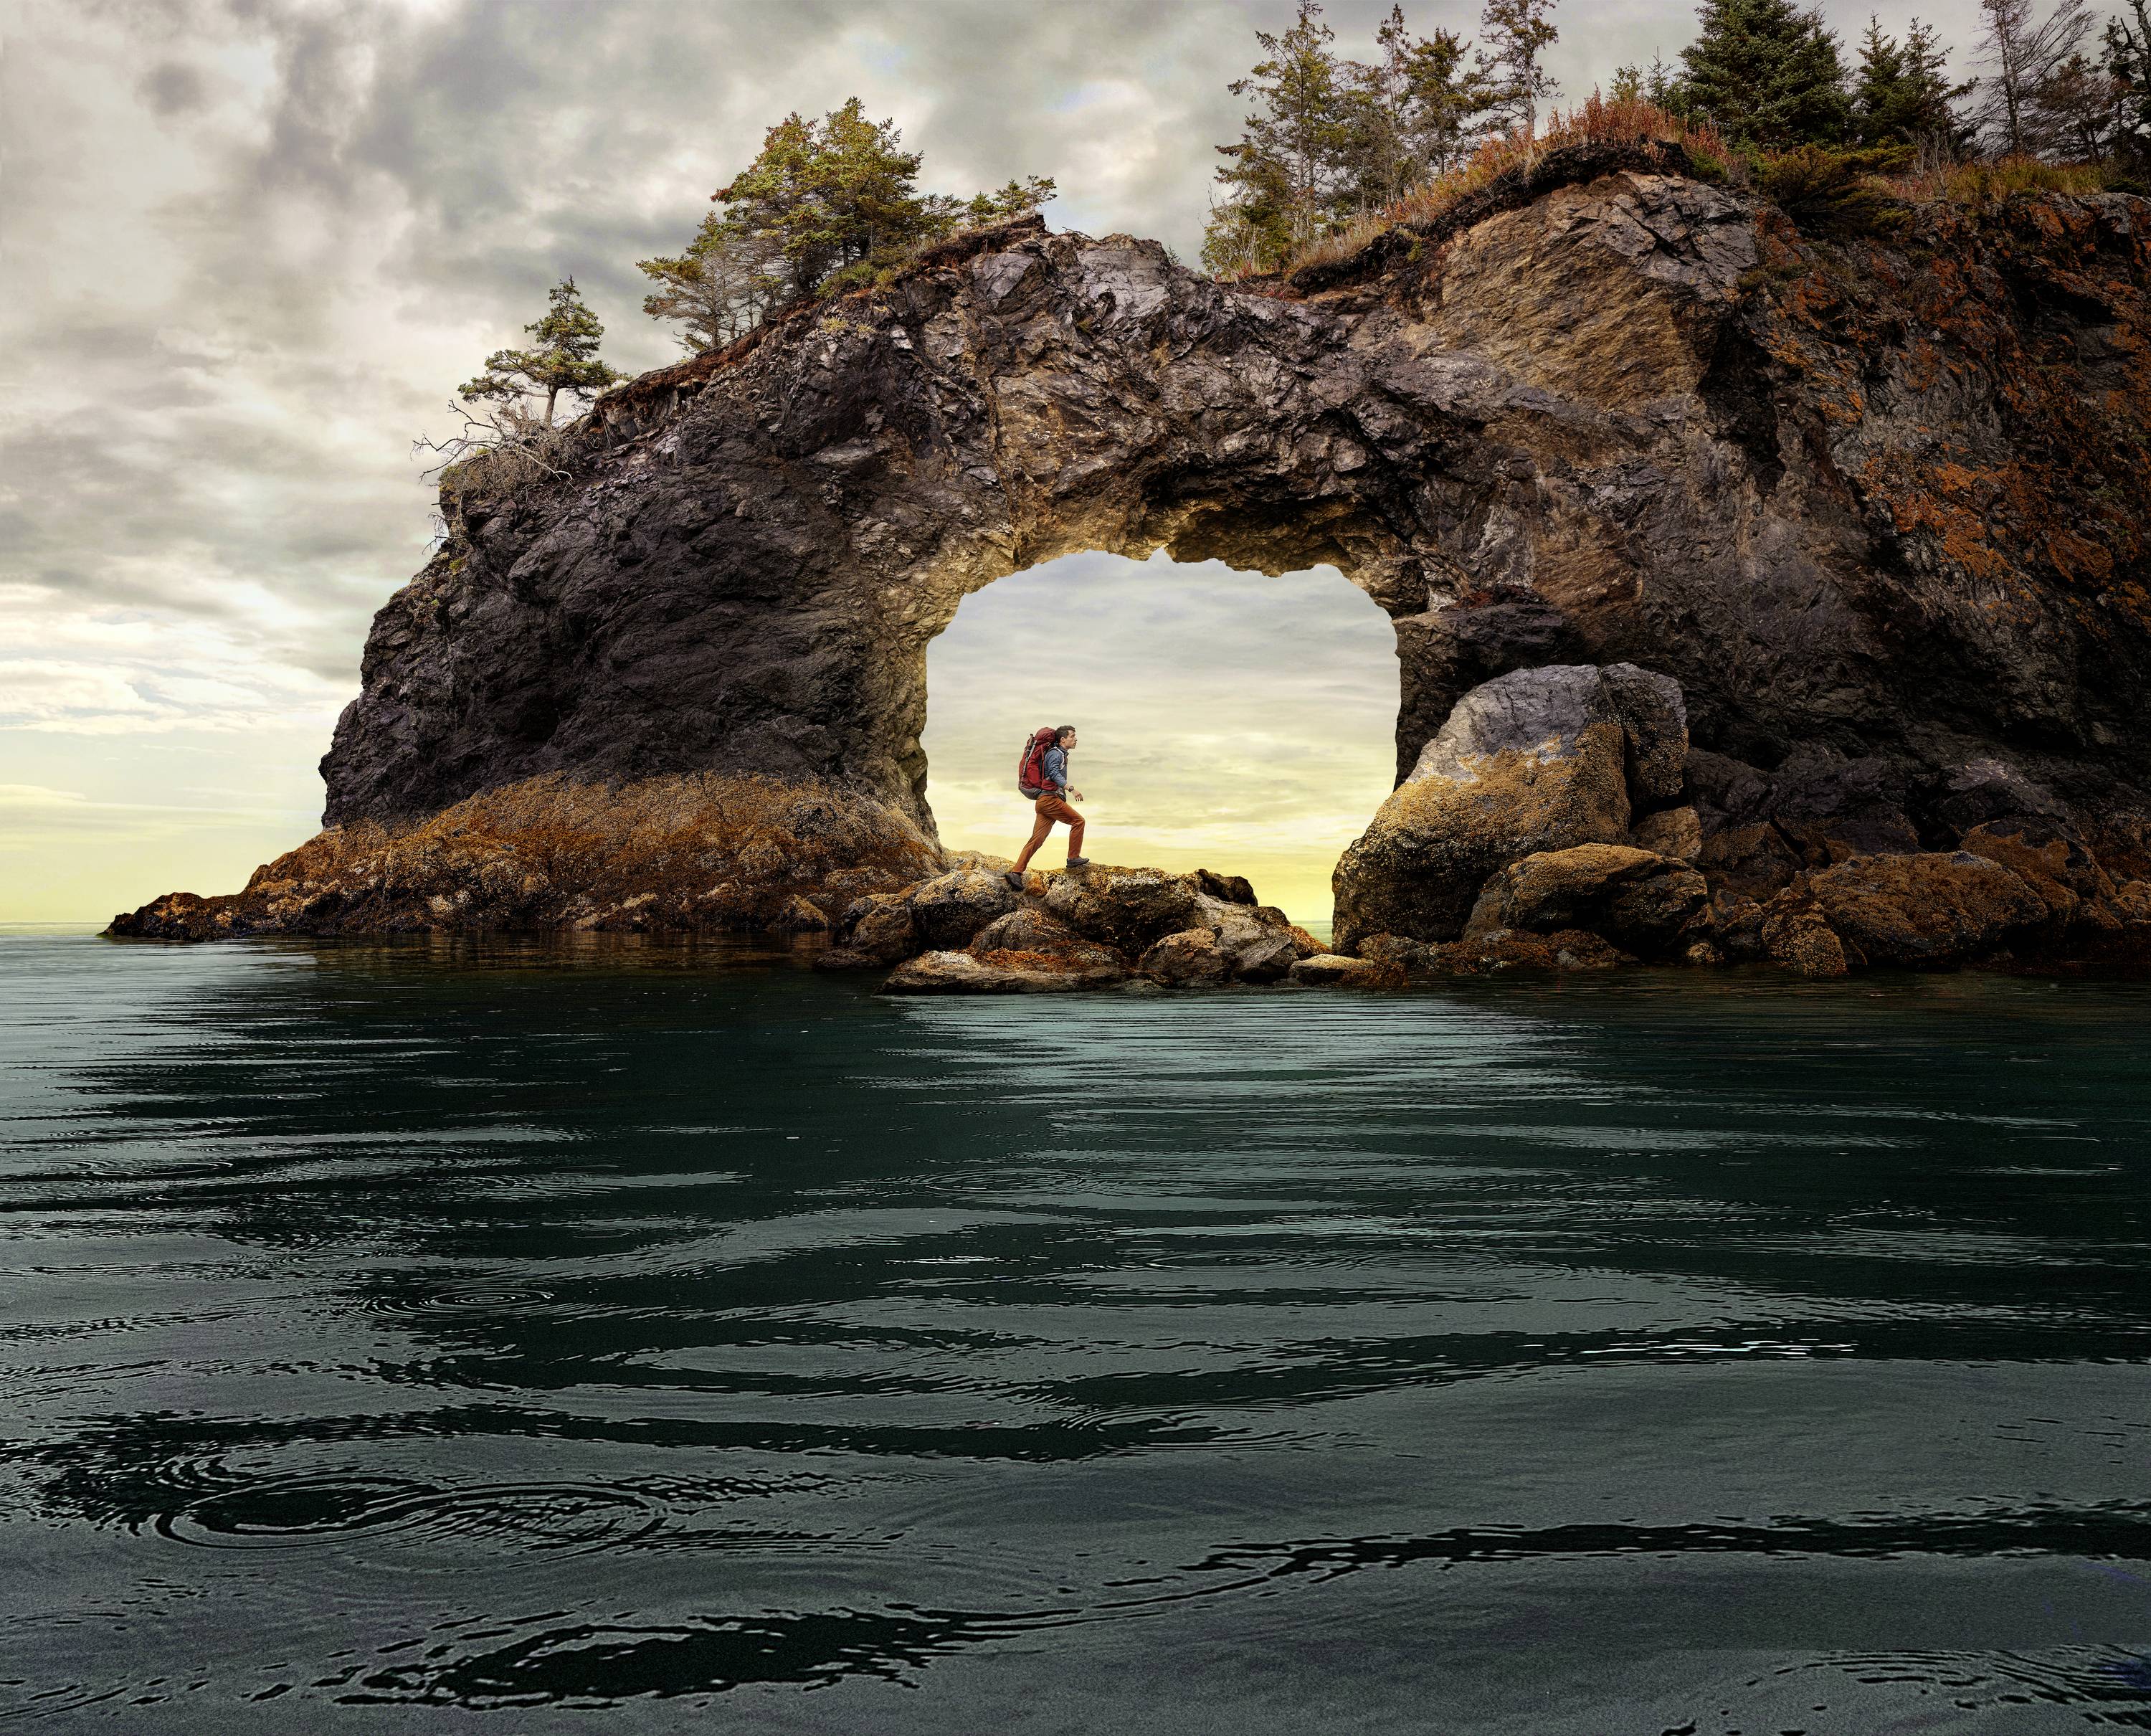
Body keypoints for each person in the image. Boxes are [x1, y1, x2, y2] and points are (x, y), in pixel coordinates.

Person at [1007, 725, 1088, 885]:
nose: (1075, 739)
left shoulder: (1059, 754)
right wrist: (1071, 789)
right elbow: (1053, 774)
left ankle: (1016, 872)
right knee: (1079, 821)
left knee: (1037, 839)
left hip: (1045, 802)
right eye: (1072, 736)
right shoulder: (1055, 754)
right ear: (1063, 739)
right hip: (1050, 800)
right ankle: (1073, 858)